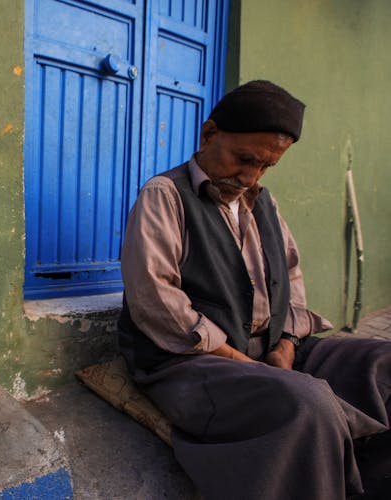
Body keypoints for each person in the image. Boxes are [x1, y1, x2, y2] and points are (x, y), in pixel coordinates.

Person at [118, 81, 390, 500]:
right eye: (243, 159)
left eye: (265, 167)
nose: (250, 177)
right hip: (190, 362)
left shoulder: (264, 203)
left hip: (268, 349)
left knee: (382, 362)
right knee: (309, 402)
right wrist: (247, 362)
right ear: (209, 134)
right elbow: (156, 303)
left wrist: (284, 346)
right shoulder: (165, 195)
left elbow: (291, 282)